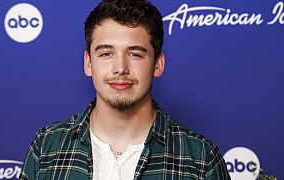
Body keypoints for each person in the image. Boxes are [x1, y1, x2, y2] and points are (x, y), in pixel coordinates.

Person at [20, 0, 230, 179]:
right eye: (106, 54)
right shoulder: (47, 147)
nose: (120, 68)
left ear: (158, 64)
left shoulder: (200, 159)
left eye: (135, 54)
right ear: (88, 63)